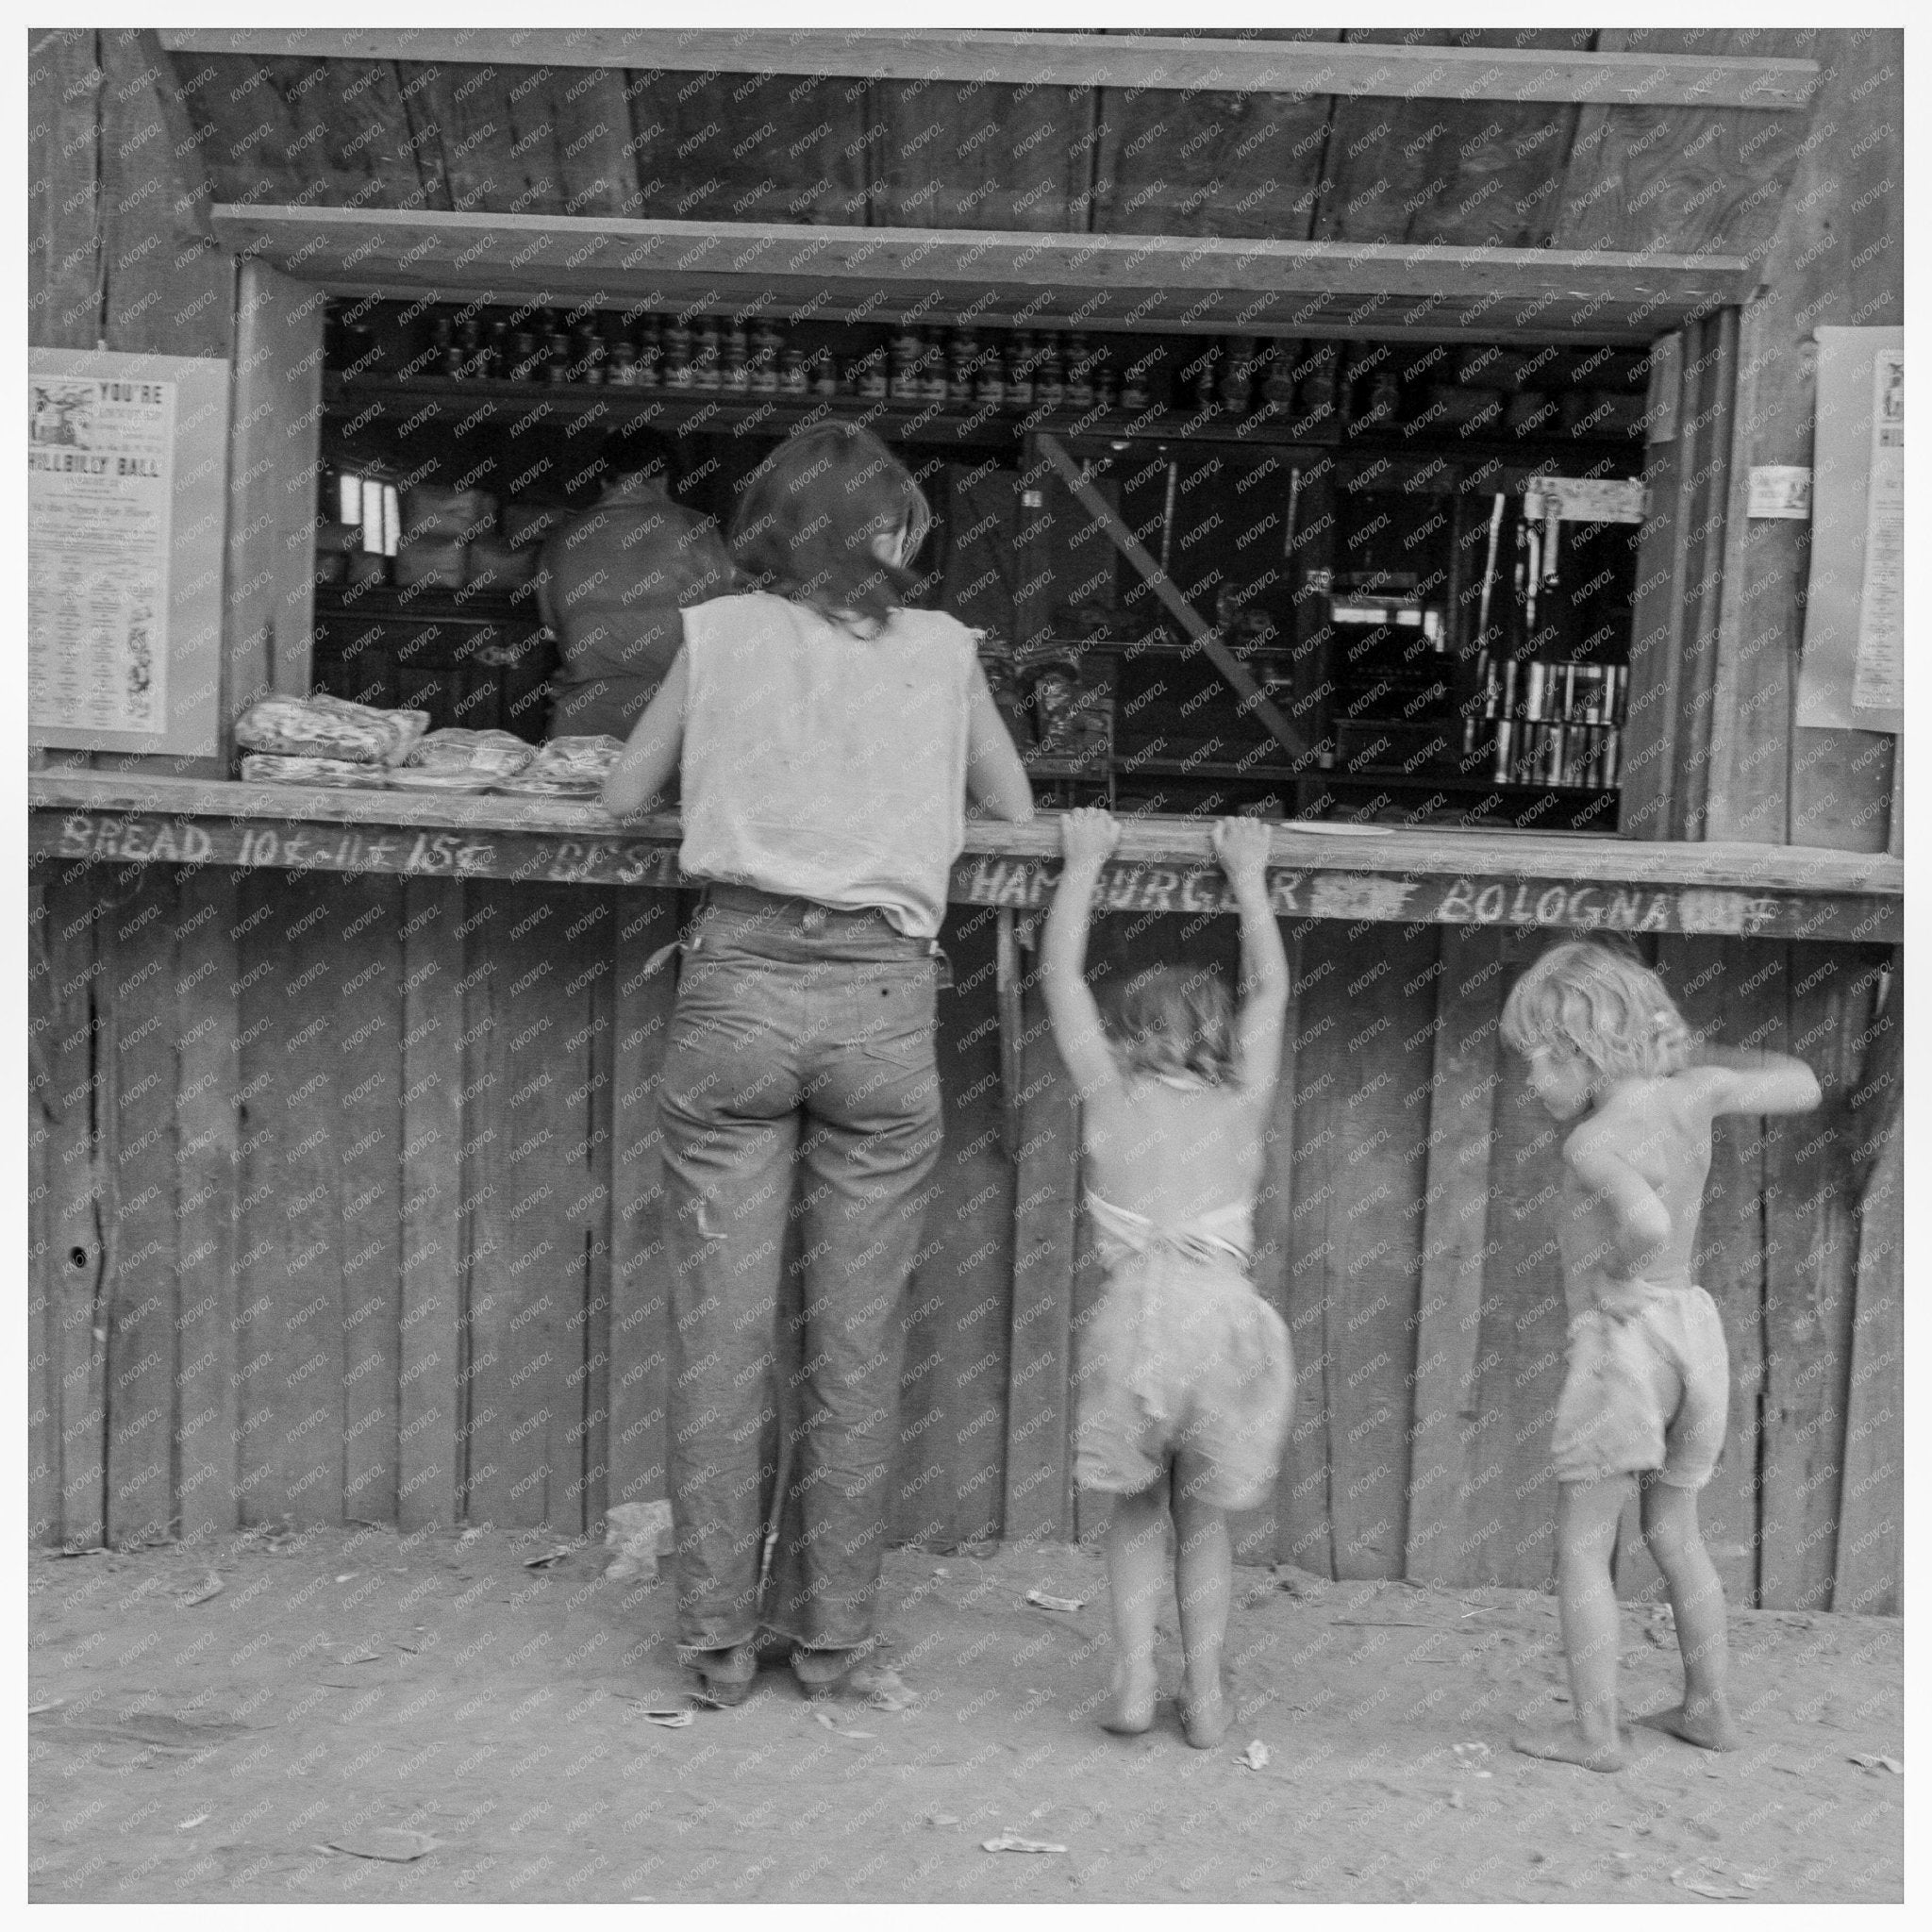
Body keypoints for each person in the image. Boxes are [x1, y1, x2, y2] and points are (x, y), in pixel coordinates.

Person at [601, 422, 1035, 1705]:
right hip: (883, 1008)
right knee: (856, 1337)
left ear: (769, 529)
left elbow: (624, 796)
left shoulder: (717, 633)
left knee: (722, 1338)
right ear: (890, 533)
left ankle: (719, 1646)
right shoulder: (947, 648)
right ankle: (834, 1638)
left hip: (735, 989)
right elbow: (1010, 806)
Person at [1500, 940, 1822, 1772]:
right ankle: (1709, 1708)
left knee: (1582, 1542)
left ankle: (1594, 1732)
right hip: (1694, 1328)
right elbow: (1803, 1083)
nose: (1532, 1086)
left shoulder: (1593, 1141)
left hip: (1627, 1340)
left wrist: (1611, 1276)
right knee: (1674, 1529)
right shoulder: (1696, 1093)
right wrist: (1698, 1050)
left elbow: (1641, 1225)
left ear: (1578, 1051)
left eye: (1535, 1064)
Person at [1040, 807, 1293, 1749]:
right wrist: (1247, 877)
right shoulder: (1242, 1098)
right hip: (1221, 1325)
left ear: (1127, 1035)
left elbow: (1058, 975)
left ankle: (1135, 1682)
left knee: (1134, 1506)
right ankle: (1211, 1693)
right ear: (1219, 1036)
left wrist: (1082, 863)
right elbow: (1268, 987)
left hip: (1131, 1325)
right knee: (1206, 1518)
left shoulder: (1107, 1094)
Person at [537, 420, 740, 743]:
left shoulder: (560, 541)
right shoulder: (697, 531)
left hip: (580, 730)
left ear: (604, 481)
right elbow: (726, 622)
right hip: (670, 731)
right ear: (663, 478)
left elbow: (551, 626)